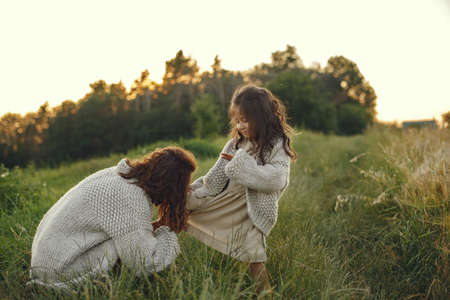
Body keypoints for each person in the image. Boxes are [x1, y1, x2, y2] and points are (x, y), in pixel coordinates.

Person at [28, 146, 196, 290]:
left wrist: (152, 229)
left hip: (46, 262)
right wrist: (167, 231)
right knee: (124, 246)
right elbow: (144, 264)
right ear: (171, 187)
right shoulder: (130, 197)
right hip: (59, 271)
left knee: (126, 240)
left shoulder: (119, 175)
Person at [186, 85, 297, 294]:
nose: (240, 125)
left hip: (251, 212)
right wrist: (194, 192)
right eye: (237, 120)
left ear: (262, 117)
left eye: (245, 120)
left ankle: (264, 295)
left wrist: (244, 166)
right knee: (184, 215)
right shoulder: (234, 145)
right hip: (227, 204)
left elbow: (278, 179)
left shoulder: (276, 144)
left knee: (255, 258)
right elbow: (214, 179)